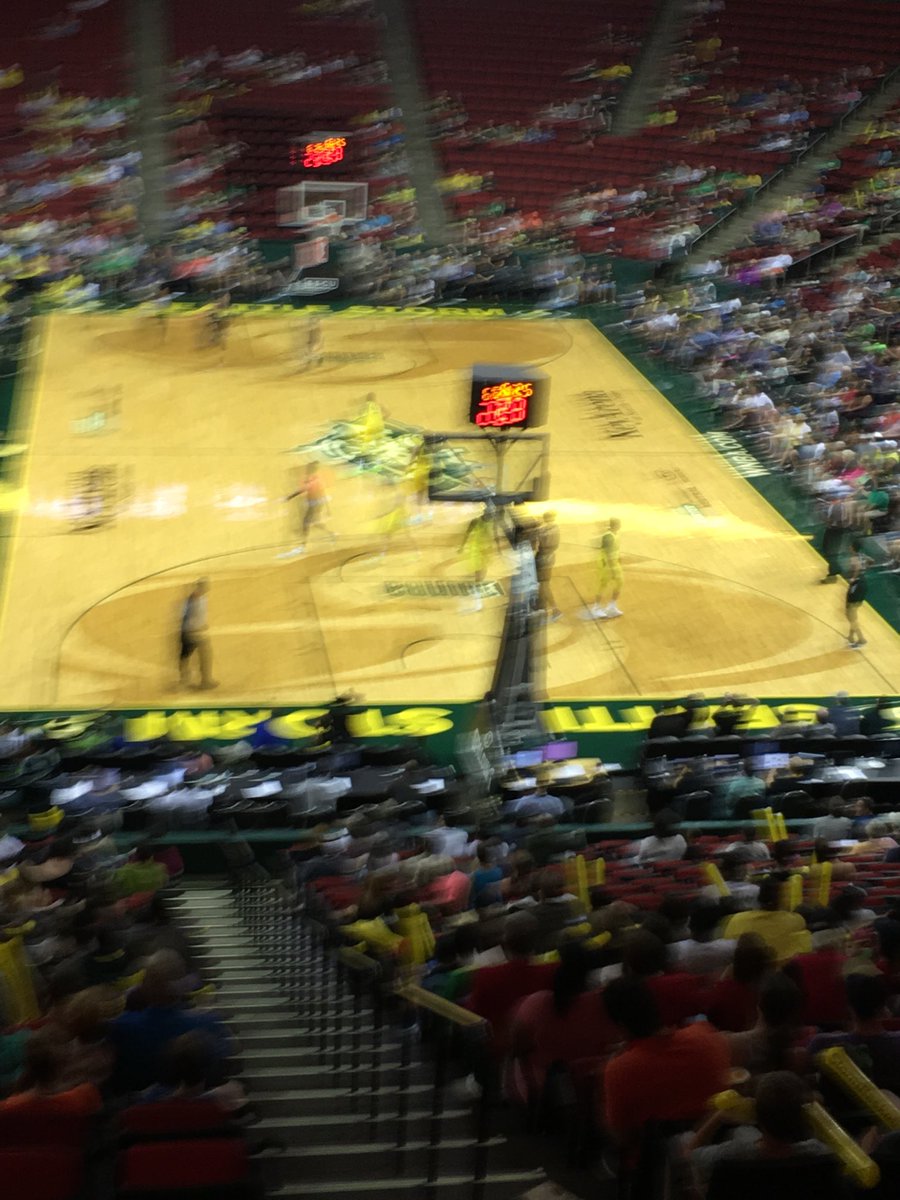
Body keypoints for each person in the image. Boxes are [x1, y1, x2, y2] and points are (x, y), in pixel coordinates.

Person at [602, 976, 730, 1156]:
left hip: (659, 1166)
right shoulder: (705, 1033)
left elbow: (623, 1138)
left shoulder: (618, 1069)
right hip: (721, 1146)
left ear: (620, 1025)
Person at [683, 1071, 828, 1197]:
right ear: (805, 1116)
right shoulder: (820, 1152)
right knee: (741, 1131)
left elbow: (689, 1153)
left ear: (756, 1114)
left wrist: (718, 1117)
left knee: (684, 1139)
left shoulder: (731, 1154)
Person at [723, 877, 811, 963]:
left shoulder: (736, 920)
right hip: (783, 972)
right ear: (781, 899)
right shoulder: (795, 920)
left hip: (747, 972)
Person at [280, 460, 334, 557]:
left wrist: (288, 497)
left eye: (308, 469)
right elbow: (321, 492)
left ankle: (303, 546)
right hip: (315, 503)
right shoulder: (314, 478)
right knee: (313, 523)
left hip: (314, 504)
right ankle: (330, 534)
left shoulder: (314, 479)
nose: (307, 471)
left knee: (306, 523)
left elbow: (303, 490)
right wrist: (327, 508)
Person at [178, 579, 216, 690]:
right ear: (199, 587)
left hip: (199, 633)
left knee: (206, 656)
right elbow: (184, 617)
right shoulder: (191, 600)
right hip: (189, 633)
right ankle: (185, 680)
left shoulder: (203, 598)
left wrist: (203, 625)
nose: (206, 589)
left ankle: (206, 681)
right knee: (185, 657)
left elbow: (200, 615)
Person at [460, 506, 494, 613]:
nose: (490, 516)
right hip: (476, 552)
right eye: (489, 514)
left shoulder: (490, 522)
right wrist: (462, 546)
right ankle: (477, 603)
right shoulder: (476, 521)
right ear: (484, 513)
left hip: (485, 552)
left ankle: (471, 591)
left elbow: (491, 538)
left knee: (481, 576)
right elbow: (467, 533)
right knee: (479, 576)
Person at [590, 517, 623, 619]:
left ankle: (612, 606)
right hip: (607, 565)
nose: (620, 526)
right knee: (603, 585)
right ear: (614, 525)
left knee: (620, 583)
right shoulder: (608, 537)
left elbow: (615, 550)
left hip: (614, 563)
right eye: (618, 524)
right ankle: (596, 608)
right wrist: (612, 568)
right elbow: (608, 554)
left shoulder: (614, 535)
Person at [535, 511, 561, 621]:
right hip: (550, 558)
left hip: (542, 558)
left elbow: (535, 542)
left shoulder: (542, 529)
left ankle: (553, 609)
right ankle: (544, 610)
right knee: (543, 585)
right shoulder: (556, 528)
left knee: (543, 586)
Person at [845, 539, 868, 649]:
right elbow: (871, 561)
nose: (849, 547)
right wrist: (864, 570)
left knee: (850, 614)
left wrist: (853, 577)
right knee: (853, 611)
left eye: (850, 545)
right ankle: (850, 636)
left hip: (856, 584)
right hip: (864, 583)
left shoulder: (854, 558)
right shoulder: (863, 555)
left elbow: (857, 567)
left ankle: (861, 639)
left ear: (853, 547)